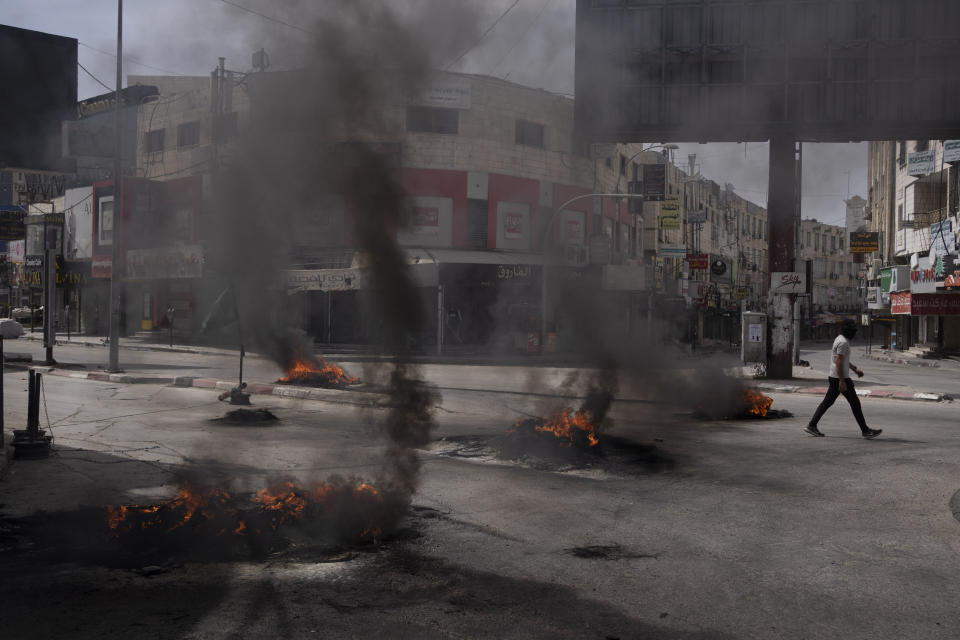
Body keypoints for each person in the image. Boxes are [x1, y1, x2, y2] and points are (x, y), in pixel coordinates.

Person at [805, 319, 882, 439]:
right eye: (853, 331)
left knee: (827, 403)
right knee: (854, 403)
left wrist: (854, 369)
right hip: (839, 378)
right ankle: (865, 430)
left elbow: (843, 359)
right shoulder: (843, 342)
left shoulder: (840, 338)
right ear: (848, 331)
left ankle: (812, 425)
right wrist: (842, 381)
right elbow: (839, 362)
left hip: (835, 377)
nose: (854, 333)